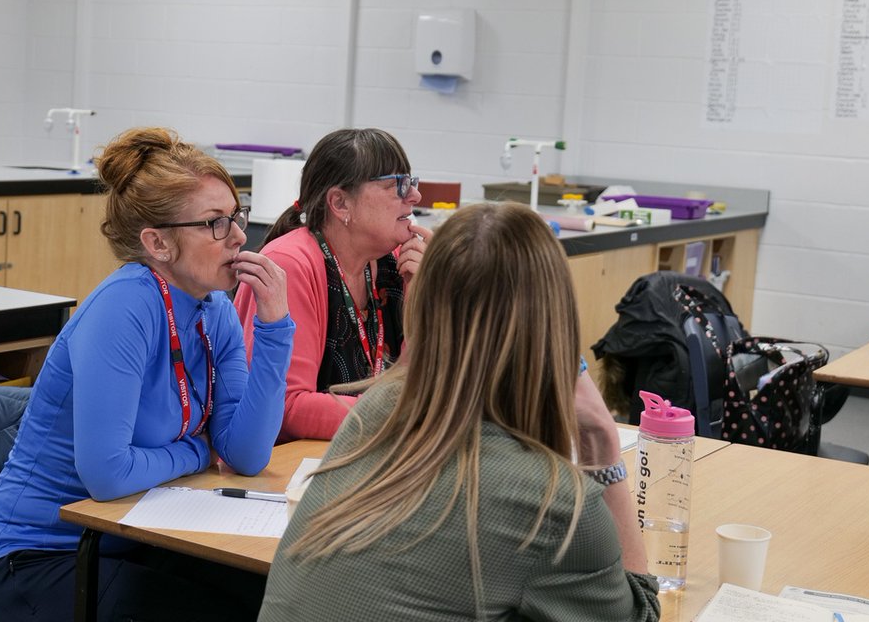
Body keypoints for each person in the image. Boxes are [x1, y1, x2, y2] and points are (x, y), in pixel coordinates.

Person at [258, 202, 661, 622]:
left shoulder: (376, 410)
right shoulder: (553, 503)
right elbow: (642, 615)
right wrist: (602, 449)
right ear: (553, 325)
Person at [0, 127, 294, 622]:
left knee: (270, 594)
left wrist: (274, 328)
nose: (239, 235)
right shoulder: (125, 306)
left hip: (130, 538)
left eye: (237, 215)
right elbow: (107, 474)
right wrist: (197, 451)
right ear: (157, 242)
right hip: (34, 559)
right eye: (214, 223)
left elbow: (247, 455)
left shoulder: (216, 311)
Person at [234, 127, 431, 441]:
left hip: (364, 452)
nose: (415, 196)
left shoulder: (398, 261)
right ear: (340, 203)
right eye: (397, 184)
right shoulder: (291, 263)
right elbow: (286, 409)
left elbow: (420, 388)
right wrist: (403, 420)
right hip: (285, 471)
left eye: (412, 181)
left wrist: (424, 299)